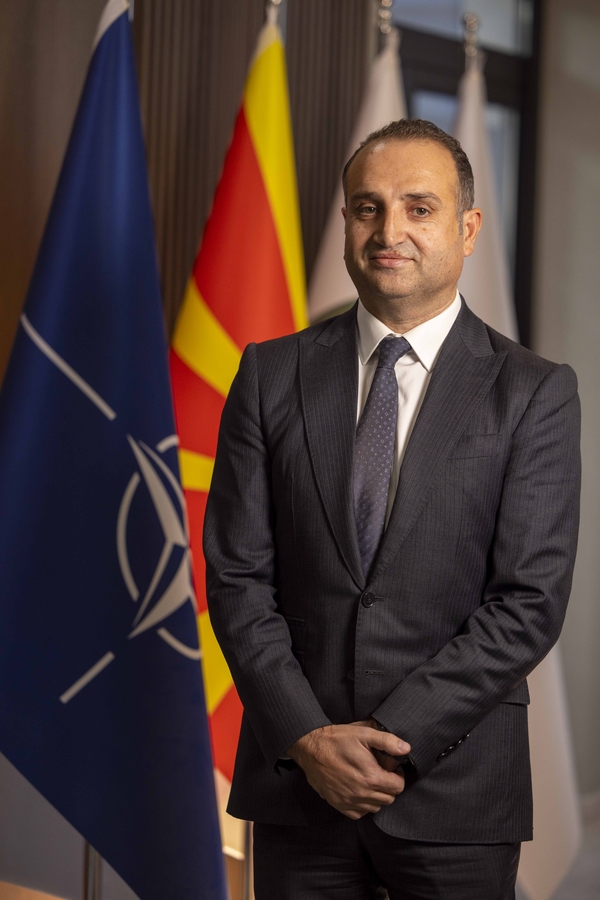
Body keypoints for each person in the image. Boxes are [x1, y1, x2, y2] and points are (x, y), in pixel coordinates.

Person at [204, 119, 581, 900]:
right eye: (368, 208)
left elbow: (528, 603)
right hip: (298, 786)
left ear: (467, 228)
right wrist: (308, 736)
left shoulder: (533, 391)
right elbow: (238, 578)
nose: (389, 231)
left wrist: (387, 743)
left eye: (419, 207)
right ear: (346, 221)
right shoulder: (270, 375)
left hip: (455, 793)